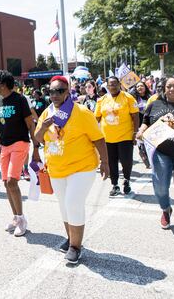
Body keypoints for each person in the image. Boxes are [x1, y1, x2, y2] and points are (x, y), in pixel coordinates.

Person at [35, 76, 110, 264]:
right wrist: (43, 127)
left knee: (73, 203)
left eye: (59, 91)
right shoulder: (47, 113)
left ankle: (76, 247)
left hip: (82, 167)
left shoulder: (82, 112)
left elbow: (99, 139)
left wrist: (106, 163)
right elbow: (37, 138)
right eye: (51, 91)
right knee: (63, 205)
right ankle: (71, 239)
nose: (55, 95)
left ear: (68, 91)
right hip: (57, 168)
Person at [137, 75, 174, 233]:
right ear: (163, 88)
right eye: (168, 86)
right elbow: (145, 121)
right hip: (160, 152)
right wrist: (141, 131)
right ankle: (166, 209)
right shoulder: (155, 103)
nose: (172, 89)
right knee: (160, 187)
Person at [0, 69, 40, 237]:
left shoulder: (20, 99)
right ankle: (16, 218)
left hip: (20, 143)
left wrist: (36, 148)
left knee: (11, 181)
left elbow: (30, 124)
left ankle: (22, 219)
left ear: (3, 84)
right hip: (4, 146)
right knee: (6, 183)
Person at [95, 76, 140, 196]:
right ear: (107, 86)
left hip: (125, 135)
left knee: (126, 161)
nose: (113, 87)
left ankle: (126, 180)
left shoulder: (128, 97)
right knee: (111, 162)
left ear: (120, 84)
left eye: (115, 84)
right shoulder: (101, 100)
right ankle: (114, 185)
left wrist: (135, 133)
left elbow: (135, 116)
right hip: (107, 138)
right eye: (110, 84)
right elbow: (97, 118)